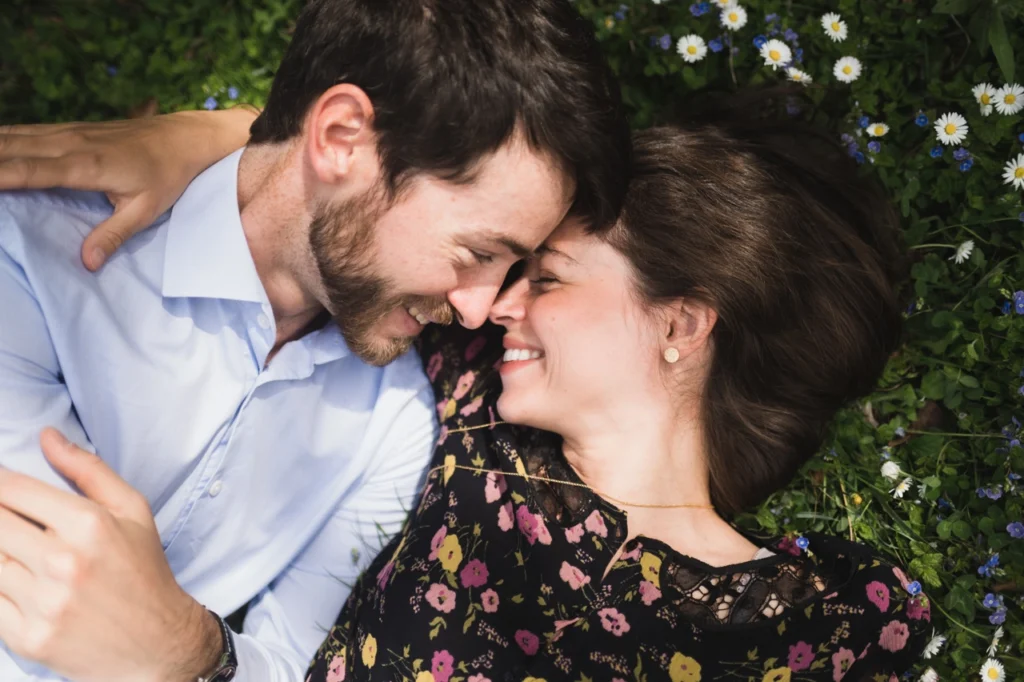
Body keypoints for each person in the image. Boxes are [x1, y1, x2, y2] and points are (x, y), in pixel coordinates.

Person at [2, 96, 930, 681]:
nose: (493, 305)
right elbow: (383, 212)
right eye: (503, 268)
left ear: (681, 325)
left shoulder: (832, 625)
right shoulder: (466, 413)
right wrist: (227, 140)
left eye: (549, 278)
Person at [0, 0, 629, 680]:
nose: (478, 309)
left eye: (512, 267)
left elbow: (292, 662)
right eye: (477, 250)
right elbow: (43, 591)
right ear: (340, 138)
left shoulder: (392, 423)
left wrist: (195, 655)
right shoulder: (31, 255)